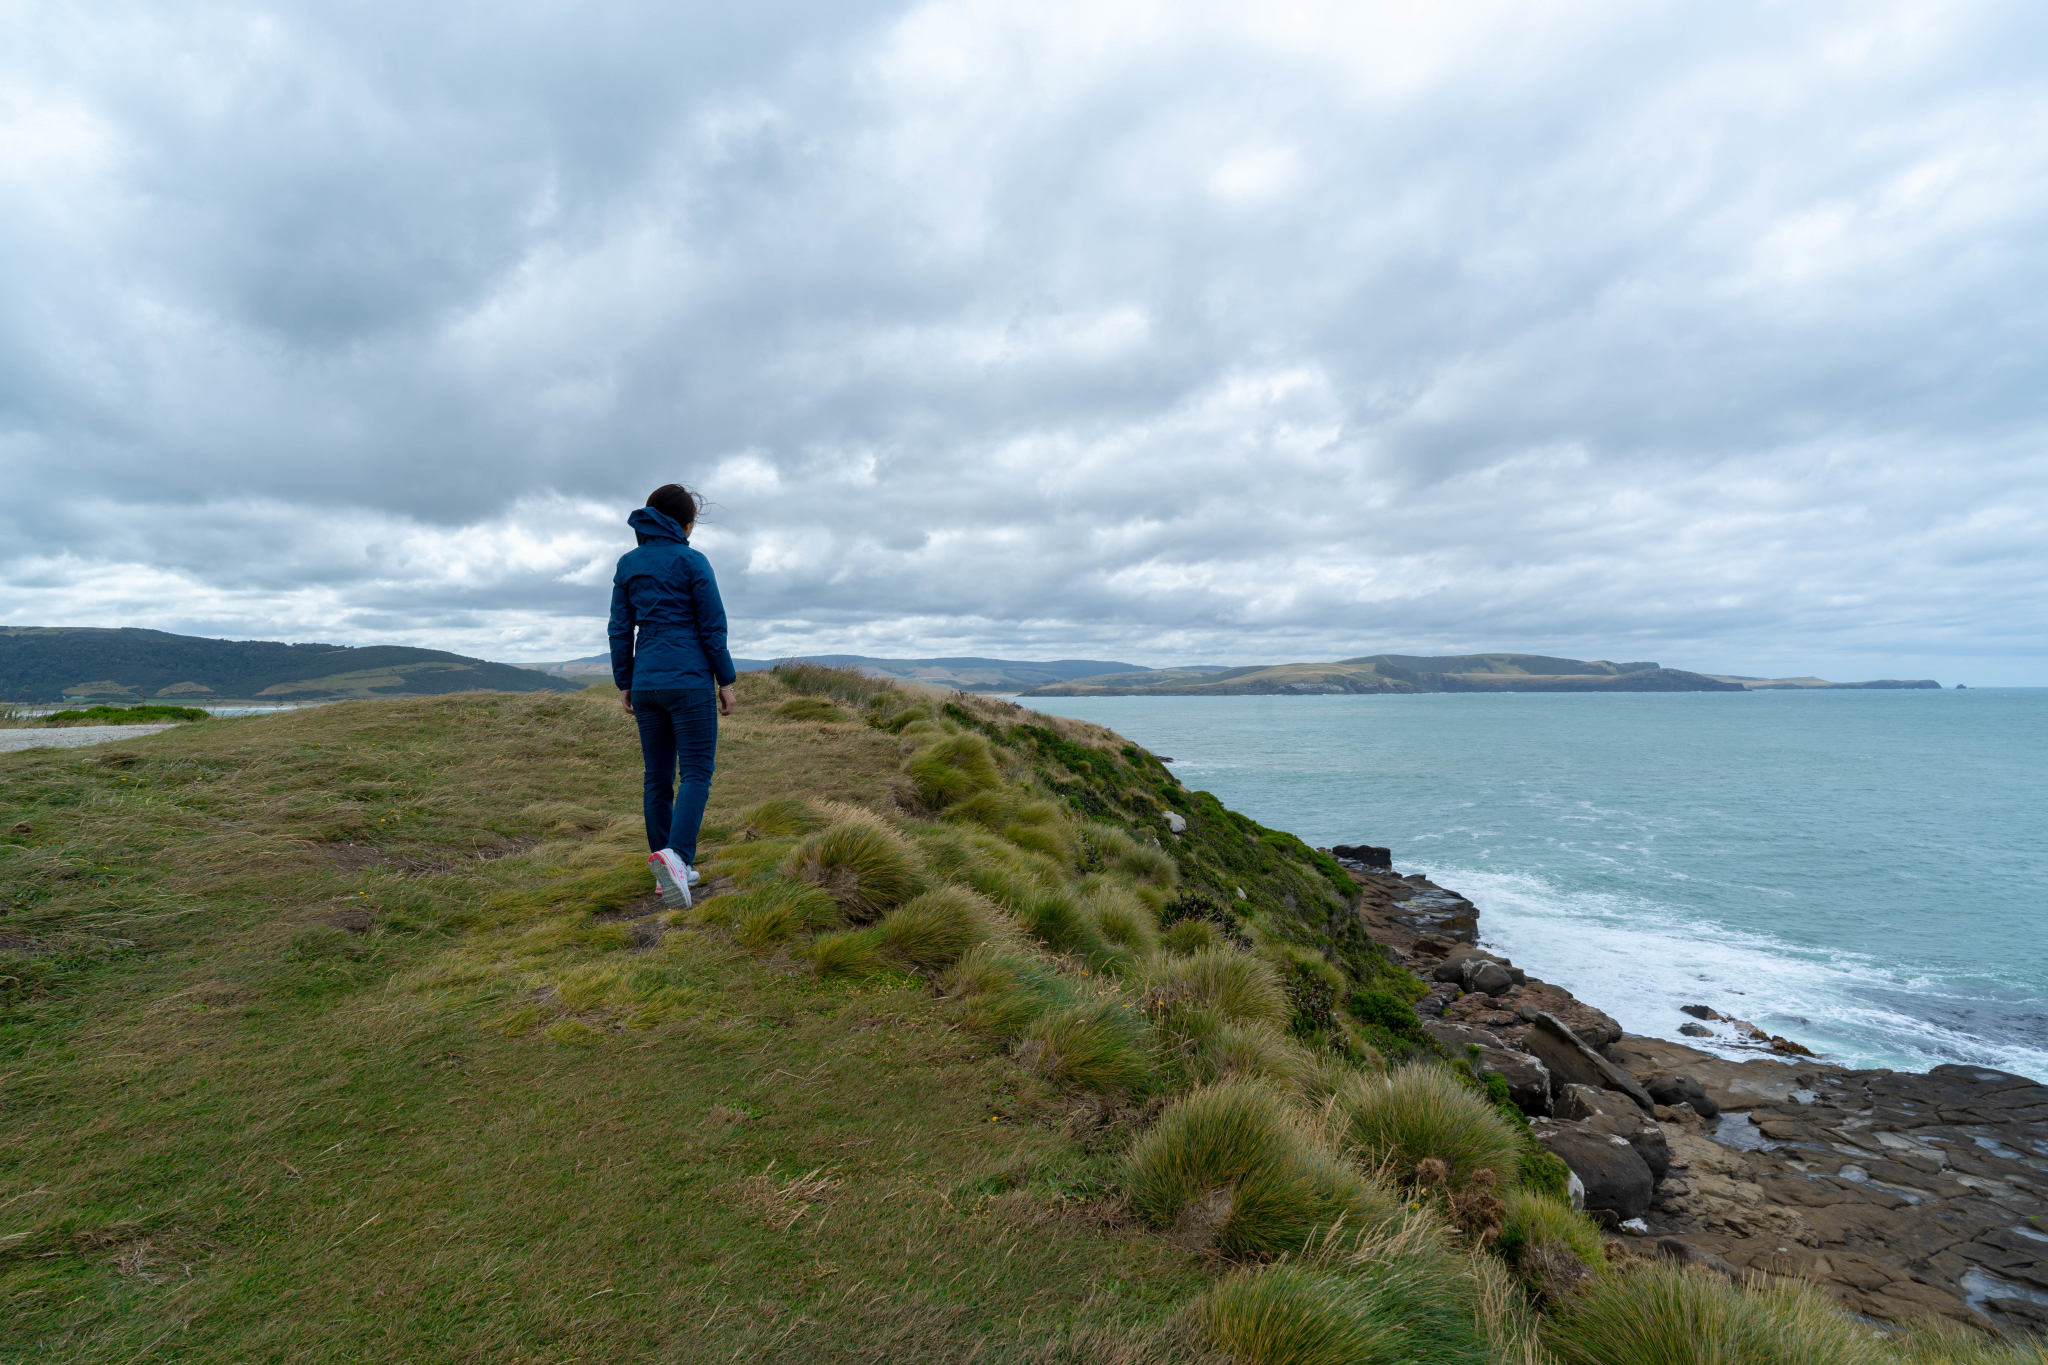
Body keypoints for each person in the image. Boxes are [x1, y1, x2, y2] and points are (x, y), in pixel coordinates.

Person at [609, 483, 737, 908]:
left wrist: (625, 681)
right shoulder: (692, 560)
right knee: (697, 773)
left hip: (646, 681)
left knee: (657, 777)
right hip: (689, 681)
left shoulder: (628, 564)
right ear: (684, 523)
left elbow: (619, 629)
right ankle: (677, 858)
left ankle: (666, 873)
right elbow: (712, 626)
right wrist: (726, 681)